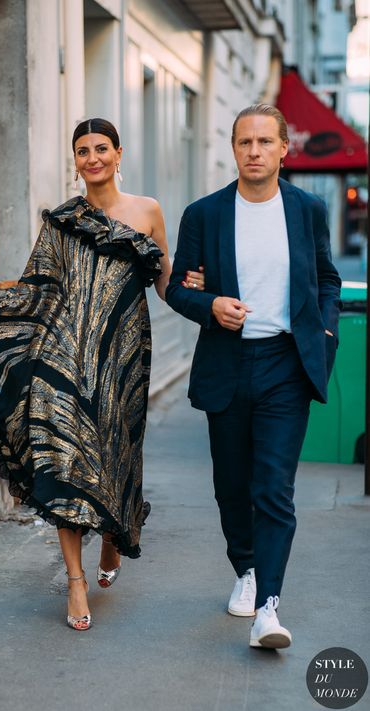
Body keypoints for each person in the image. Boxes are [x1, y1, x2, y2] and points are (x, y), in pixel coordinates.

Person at [0, 118, 204, 631]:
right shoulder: (62, 220)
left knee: (117, 452)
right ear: (75, 161)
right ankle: (75, 581)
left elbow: (166, 285)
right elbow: (33, 288)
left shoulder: (149, 212)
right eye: (81, 150)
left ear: (119, 153)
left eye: (100, 148)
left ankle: (114, 536)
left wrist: (204, 291)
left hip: (123, 359)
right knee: (62, 458)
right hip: (67, 355)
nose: (91, 157)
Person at [166, 104, 341, 649]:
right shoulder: (205, 214)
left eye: (266, 142)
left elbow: (327, 280)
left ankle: (269, 604)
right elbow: (178, 288)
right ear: (234, 148)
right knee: (231, 485)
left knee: (274, 489)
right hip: (228, 363)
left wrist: (325, 336)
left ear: (285, 148)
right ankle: (244, 567)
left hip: (286, 365)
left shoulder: (307, 210)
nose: (255, 151)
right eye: (246, 142)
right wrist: (209, 303)